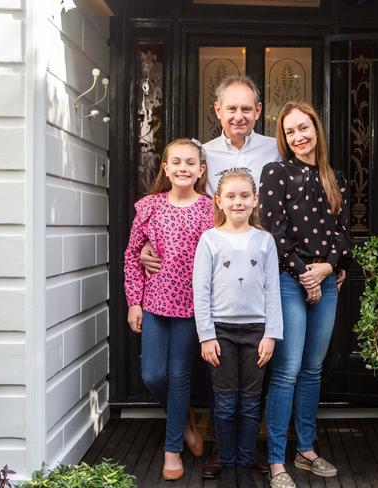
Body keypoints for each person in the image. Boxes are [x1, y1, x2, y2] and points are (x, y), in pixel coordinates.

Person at [139, 75, 280, 479]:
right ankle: (216, 448)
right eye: (230, 108)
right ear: (217, 110)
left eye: (246, 108)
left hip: (264, 270)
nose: (239, 115)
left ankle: (249, 452)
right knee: (217, 383)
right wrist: (151, 246)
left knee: (251, 384)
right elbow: (183, 208)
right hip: (211, 287)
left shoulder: (273, 149)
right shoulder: (203, 154)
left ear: (257, 111)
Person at [258, 101, 351, 488]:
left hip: (325, 279)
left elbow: (343, 233)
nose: (298, 137)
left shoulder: (336, 178)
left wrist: (327, 268)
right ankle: (277, 460)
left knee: (313, 369)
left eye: (304, 128)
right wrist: (305, 274)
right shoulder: (276, 173)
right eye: (290, 131)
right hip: (287, 279)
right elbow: (273, 232)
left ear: (316, 129)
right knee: (287, 370)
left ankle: (307, 450)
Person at [124, 138, 213, 481]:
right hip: (156, 303)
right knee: (153, 375)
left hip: (192, 306)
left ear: (201, 170)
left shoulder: (209, 209)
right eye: (176, 162)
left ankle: (173, 448)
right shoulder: (150, 206)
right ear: (165, 167)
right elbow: (133, 256)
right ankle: (184, 415)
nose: (183, 168)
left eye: (190, 163)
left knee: (179, 376)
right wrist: (134, 301)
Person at [193, 168, 283, 488]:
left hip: (256, 331)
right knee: (226, 400)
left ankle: (246, 459)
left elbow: (273, 290)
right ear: (218, 200)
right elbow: (200, 291)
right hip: (221, 332)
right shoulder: (210, 240)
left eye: (245, 195)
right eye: (230, 196)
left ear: (255, 200)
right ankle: (226, 459)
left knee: (250, 399)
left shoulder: (265, 241)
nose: (238, 202)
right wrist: (206, 335)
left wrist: (271, 334)